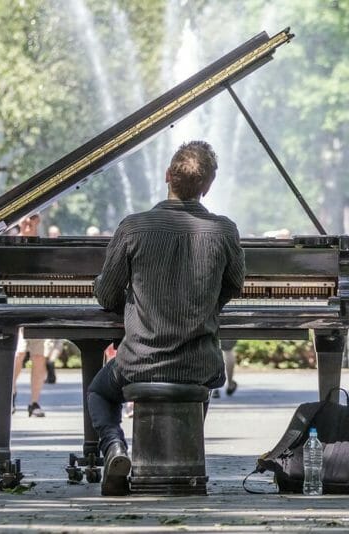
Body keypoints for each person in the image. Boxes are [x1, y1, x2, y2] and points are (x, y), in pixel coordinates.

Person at [88, 140, 245, 495]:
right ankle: (183, 459)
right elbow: (235, 284)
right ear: (207, 187)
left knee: (99, 390)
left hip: (138, 361)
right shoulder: (224, 231)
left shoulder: (133, 227)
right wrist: (205, 307)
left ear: (166, 177)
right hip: (197, 363)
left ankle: (114, 447)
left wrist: (131, 302)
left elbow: (107, 294)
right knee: (200, 386)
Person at [11, 213, 55, 417]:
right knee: (19, 353)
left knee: (39, 356)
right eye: (26, 219)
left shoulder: (41, 244)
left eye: (33, 218)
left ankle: (34, 402)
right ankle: (10, 393)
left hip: (38, 305)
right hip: (17, 306)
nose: (29, 222)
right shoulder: (12, 244)